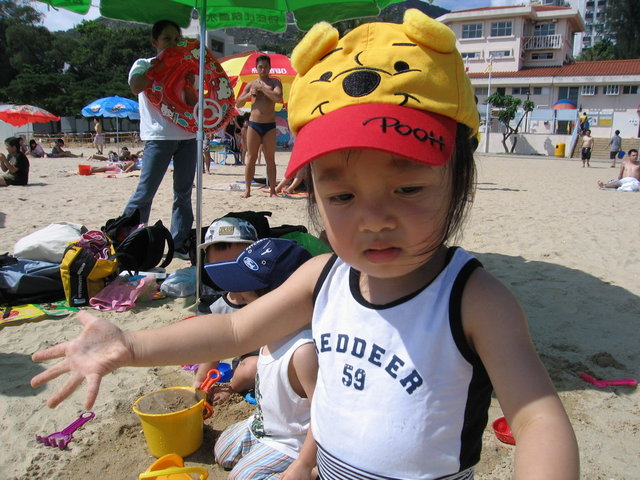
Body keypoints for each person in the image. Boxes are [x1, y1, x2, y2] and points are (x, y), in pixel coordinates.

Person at [30, 10, 579, 480]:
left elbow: (536, 419)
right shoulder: (324, 277)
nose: (373, 220)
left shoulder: (473, 300)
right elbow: (233, 330)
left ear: (459, 181)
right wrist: (130, 345)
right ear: (311, 194)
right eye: (341, 196)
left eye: (408, 188)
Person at [205, 238, 317, 479]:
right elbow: (218, 341)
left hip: (293, 441)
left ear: (282, 303)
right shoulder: (270, 330)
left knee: (241, 477)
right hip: (265, 424)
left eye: (246, 301)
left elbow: (325, 416)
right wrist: (199, 382)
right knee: (222, 449)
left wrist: (305, 464)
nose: (237, 301)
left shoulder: (303, 351)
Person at [123, 19, 198, 260]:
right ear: (154, 41)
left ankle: (179, 244)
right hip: (159, 136)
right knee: (145, 192)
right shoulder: (143, 64)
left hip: (187, 136)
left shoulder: (187, 67)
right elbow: (136, 86)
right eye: (167, 39)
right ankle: (127, 240)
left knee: (183, 194)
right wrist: (162, 66)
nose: (173, 43)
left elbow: (192, 103)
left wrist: (189, 84)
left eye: (177, 39)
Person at [193, 217, 260, 401]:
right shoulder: (219, 308)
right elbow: (214, 350)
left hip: (280, 357)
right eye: (220, 269)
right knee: (251, 367)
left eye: (238, 266)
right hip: (249, 365)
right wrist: (199, 383)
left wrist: (251, 297)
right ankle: (232, 388)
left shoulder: (269, 294)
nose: (231, 275)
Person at [236, 55, 283, 198]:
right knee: (251, 157)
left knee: (270, 159)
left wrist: (263, 88)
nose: (263, 70)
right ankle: (247, 189)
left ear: (270, 67)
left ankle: (273, 190)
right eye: (260, 67)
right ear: (256, 68)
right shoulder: (251, 84)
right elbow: (238, 103)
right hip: (254, 124)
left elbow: (277, 97)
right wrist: (249, 95)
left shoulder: (275, 82)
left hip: (269, 125)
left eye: (265, 67)